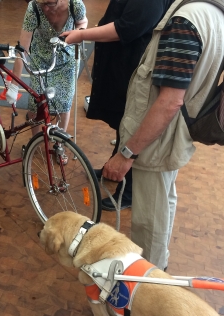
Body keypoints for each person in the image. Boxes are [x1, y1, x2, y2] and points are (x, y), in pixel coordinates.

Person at [101, 0, 224, 270]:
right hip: (173, 132)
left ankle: (147, 285)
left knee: (148, 220)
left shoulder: (186, 21)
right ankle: (157, 267)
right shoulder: (220, 8)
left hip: (156, 140)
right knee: (163, 204)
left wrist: (127, 152)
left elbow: (169, 102)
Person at [61, 0, 174, 210]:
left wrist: (83, 35)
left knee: (131, 123)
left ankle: (129, 191)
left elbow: (127, 28)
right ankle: (114, 169)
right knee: (122, 120)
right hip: (121, 63)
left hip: (133, 65)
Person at [7, 0, 87, 163]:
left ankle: (60, 144)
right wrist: (14, 85)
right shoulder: (34, 7)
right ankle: (36, 142)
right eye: (41, 3)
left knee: (64, 104)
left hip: (66, 57)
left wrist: (78, 32)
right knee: (36, 104)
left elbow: (83, 22)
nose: (45, 8)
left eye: (50, 4)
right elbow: (22, 49)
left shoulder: (75, 5)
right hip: (40, 58)